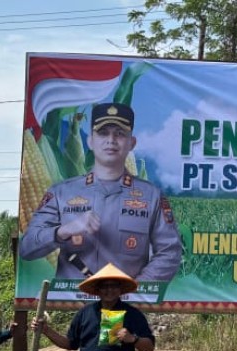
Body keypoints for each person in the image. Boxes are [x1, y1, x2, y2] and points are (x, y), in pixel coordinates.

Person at [19, 102, 183, 282]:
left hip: (128, 302)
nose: (111, 140)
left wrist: (135, 288)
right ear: (90, 141)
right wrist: (63, 231)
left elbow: (170, 251)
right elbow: (27, 247)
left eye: (120, 134)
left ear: (132, 143)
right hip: (72, 301)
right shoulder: (60, 193)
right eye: (103, 133)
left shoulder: (152, 196)